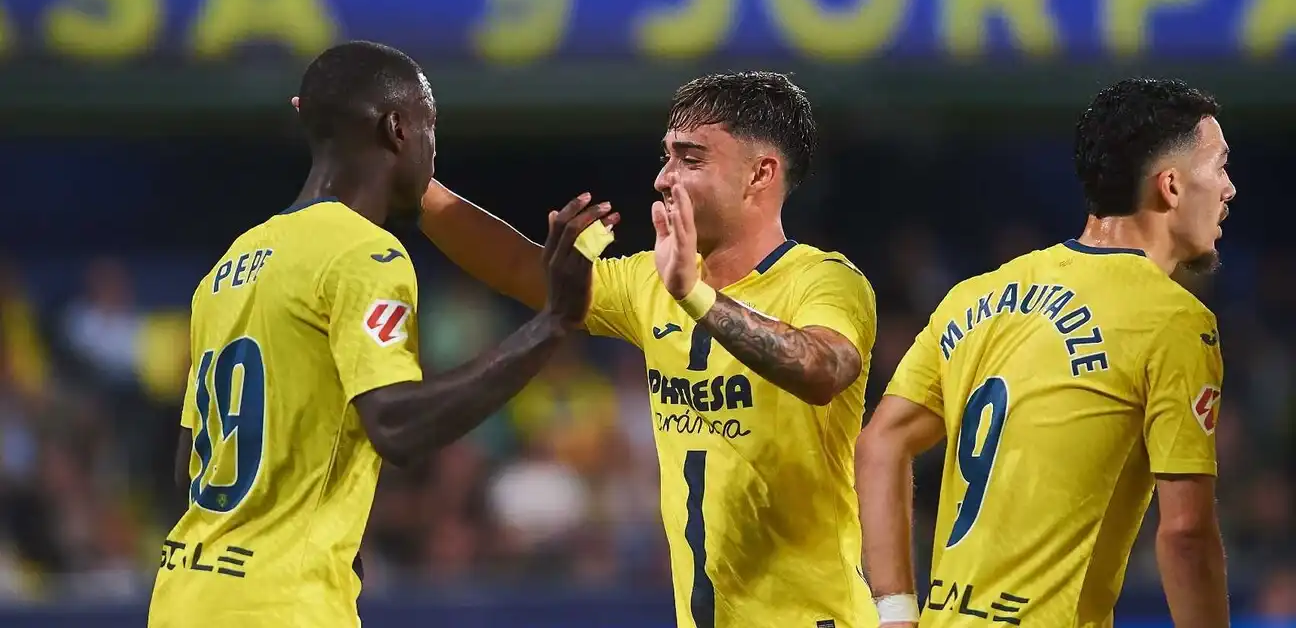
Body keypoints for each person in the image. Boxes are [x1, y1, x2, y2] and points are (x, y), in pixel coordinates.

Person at [148, 40, 609, 628]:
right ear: (398, 128)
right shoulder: (364, 252)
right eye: (430, 127)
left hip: (184, 595)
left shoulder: (228, 267)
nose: (432, 150)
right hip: (283, 604)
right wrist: (551, 326)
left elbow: (190, 459)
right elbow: (396, 424)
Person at [417, 71, 880, 628]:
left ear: (759, 174)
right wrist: (413, 186)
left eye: (691, 158)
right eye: (666, 157)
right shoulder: (648, 285)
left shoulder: (825, 281)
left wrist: (695, 295)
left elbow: (822, 368)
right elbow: (522, 269)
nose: (663, 179)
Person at [856, 77, 1234, 628]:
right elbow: (1185, 535)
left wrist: (894, 613)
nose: (1229, 189)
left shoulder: (977, 295)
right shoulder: (1175, 320)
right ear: (1171, 186)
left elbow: (880, 443)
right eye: (1219, 166)